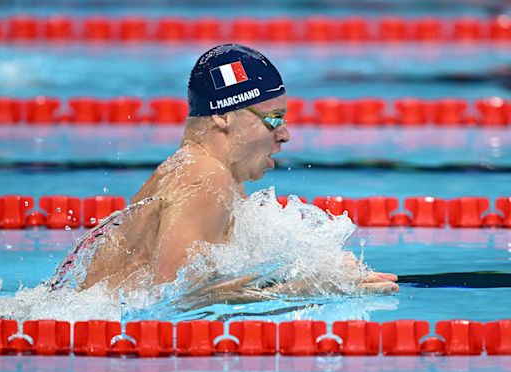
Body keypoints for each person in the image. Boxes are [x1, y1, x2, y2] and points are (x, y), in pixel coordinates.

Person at [50, 44, 398, 296]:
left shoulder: (206, 172)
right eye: (273, 119)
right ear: (223, 117)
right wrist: (309, 289)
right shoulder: (205, 176)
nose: (285, 135)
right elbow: (171, 301)